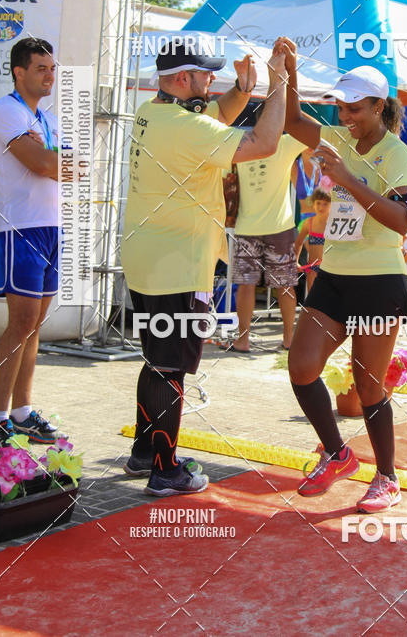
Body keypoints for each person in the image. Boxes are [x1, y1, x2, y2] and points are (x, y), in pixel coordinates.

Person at [120, 40, 286, 495]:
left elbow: (212, 121)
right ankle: (164, 470)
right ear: (180, 80)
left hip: (148, 257)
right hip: (179, 263)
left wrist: (242, 91)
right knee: (171, 367)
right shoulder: (185, 127)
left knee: (157, 359)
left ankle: (141, 453)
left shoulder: (152, 113)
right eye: (205, 76)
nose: (212, 82)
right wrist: (278, 84)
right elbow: (265, 142)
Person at [277, 37, 407, 513]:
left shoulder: (396, 153)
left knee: (368, 384)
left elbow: (401, 221)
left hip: (379, 281)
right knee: (301, 366)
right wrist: (290, 70)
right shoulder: (336, 139)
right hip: (334, 275)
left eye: (356, 109)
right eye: (341, 108)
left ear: (379, 107)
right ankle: (337, 454)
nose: (346, 118)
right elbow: (294, 121)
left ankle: (388, 477)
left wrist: (348, 178)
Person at [0, 38, 60, 445]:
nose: (50, 75)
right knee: (20, 323)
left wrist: (57, 163)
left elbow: (72, 165)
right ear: (19, 72)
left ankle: (22, 411)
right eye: (41, 69)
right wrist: (56, 163)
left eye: (52, 68)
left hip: (49, 225)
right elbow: (45, 163)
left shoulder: (46, 117)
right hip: (19, 227)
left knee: (35, 327)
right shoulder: (4, 110)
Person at [231, 123, 308, 353]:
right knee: (284, 285)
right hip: (280, 227)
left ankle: (243, 340)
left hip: (247, 225)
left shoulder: (240, 140)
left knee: (246, 285)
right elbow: (313, 130)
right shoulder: (284, 143)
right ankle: (288, 339)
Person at [294, 187, 331, 293]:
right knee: (313, 298)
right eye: (318, 203)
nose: (321, 207)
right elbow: (299, 242)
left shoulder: (333, 224)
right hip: (313, 268)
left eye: (325, 204)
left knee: (329, 298)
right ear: (313, 204)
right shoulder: (308, 223)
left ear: (331, 205)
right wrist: (295, 262)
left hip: (330, 268)